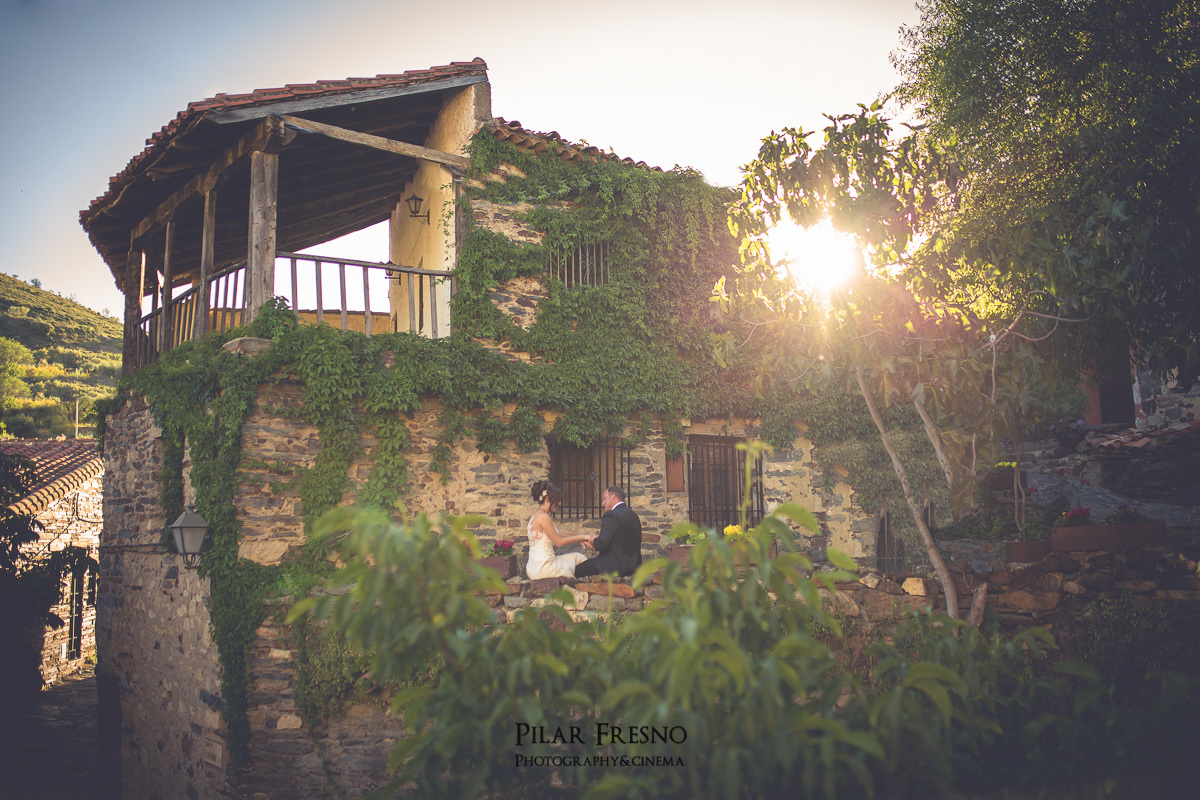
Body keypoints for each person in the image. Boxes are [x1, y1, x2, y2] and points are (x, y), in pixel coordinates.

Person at [525, 480, 591, 580]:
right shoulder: (544, 517)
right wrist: (583, 537)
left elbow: (560, 534)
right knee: (580, 558)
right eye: (557, 500)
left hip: (533, 568)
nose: (559, 503)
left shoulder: (535, 516)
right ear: (547, 499)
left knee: (577, 557)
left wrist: (579, 539)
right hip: (545, 568)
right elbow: (559, 542)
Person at [575, 485, 642, 578]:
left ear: (612, 496)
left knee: (577, 570)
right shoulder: (633, 515)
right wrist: (596, 543)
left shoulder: (611, 515)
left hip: (612, 567)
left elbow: (602, 545)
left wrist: (593, 540)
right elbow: (620, 542)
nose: (603, 503)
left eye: (604, 498)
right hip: (633, 567)